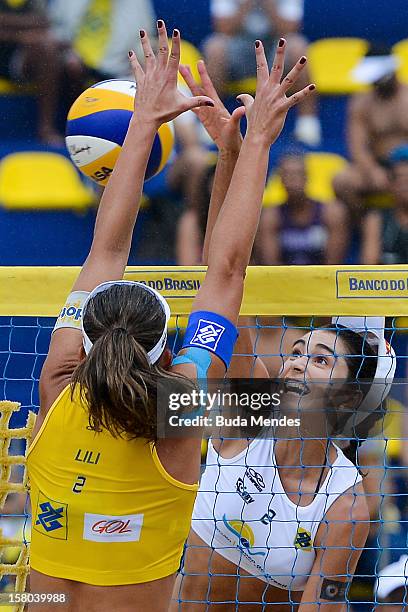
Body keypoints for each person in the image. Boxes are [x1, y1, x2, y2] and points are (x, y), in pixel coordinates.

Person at [26, 21, 314, 612]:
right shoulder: (180, 411)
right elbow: (226, 273)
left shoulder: (57, 384)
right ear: (165, 352)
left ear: (83, 338)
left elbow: (106, 251)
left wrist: (143, 124)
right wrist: (248, 145)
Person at [173, 315, 396, 610]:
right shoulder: (247, 416)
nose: (298, 363)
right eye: (296, 352)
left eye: (320, 360)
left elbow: (324, 602)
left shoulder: (347, 506)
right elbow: (228, 297)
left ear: (349, 396)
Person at [204, 0, 321, 146]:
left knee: (298, 46)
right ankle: (211, 122)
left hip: (274, 50)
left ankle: (307, 125)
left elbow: (289, 29)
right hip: (238, 51)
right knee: (215, 47)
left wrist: (268, 3)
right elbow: (223, 28)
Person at [333, 45, 408, 215]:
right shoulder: (362, 103)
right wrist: (371, 170)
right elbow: (357, 146)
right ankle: (370, 224)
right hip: (380, 166)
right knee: (342, 182)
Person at [257, 151, 348, 266]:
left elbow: (333, 264)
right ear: (280, 179)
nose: (292, 179)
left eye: (297, 174)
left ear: (307, 177)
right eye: (287, 175)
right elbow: (270, 264)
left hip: (323, 280)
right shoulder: (270, 216)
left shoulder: (331, 212)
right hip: (282, 280)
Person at [0, 0, 62, 144]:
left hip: (18, 56)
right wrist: (21, 35)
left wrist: (8, 25)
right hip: (10, 49)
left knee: (50, 49)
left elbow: (44, 21)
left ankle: (48, 128)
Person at [361, 145, 408, 264]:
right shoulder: (376, 219)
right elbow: (368, 265)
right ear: (390, 185)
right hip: (387, 282)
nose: (404, 186)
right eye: (399, 179)